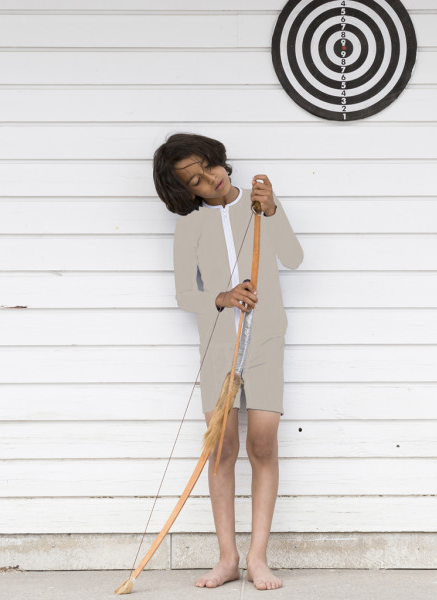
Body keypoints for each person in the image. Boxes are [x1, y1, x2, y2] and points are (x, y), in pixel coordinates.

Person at [152, 133, 303, 591]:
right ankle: (228, 558)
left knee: (261, 445)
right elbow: (183, 296)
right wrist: (221, 297)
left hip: (265, 341)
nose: (208, 181)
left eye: (206, 168)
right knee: (221, 451)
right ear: (186, 191)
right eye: (194, 181)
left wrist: (272, 210)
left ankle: (258, 557)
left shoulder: (260, 207)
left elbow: (294, 259)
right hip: (218, 346)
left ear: (219, 159)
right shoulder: (190, 227)